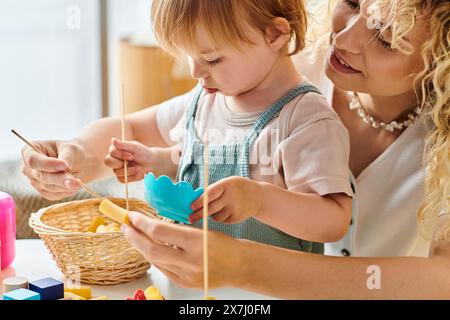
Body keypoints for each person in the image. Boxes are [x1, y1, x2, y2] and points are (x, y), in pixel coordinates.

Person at [21, 0, 449, 298]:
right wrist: (75, 153)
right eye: (352, 2)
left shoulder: (295, 103)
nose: (347, 39)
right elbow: (144, 128)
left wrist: (244, 261)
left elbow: (441, 279)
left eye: (388, 38)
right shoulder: (266, 70)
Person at [105, 0, 354, 252]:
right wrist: (157, 161)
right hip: (198, 285)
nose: (195, 71)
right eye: (187, 56)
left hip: (271, 290)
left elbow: (334, 220)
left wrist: (260, 201)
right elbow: (199, 163)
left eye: (212, 59)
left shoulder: (305, 120)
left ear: (275, 34)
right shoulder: (205, 101)